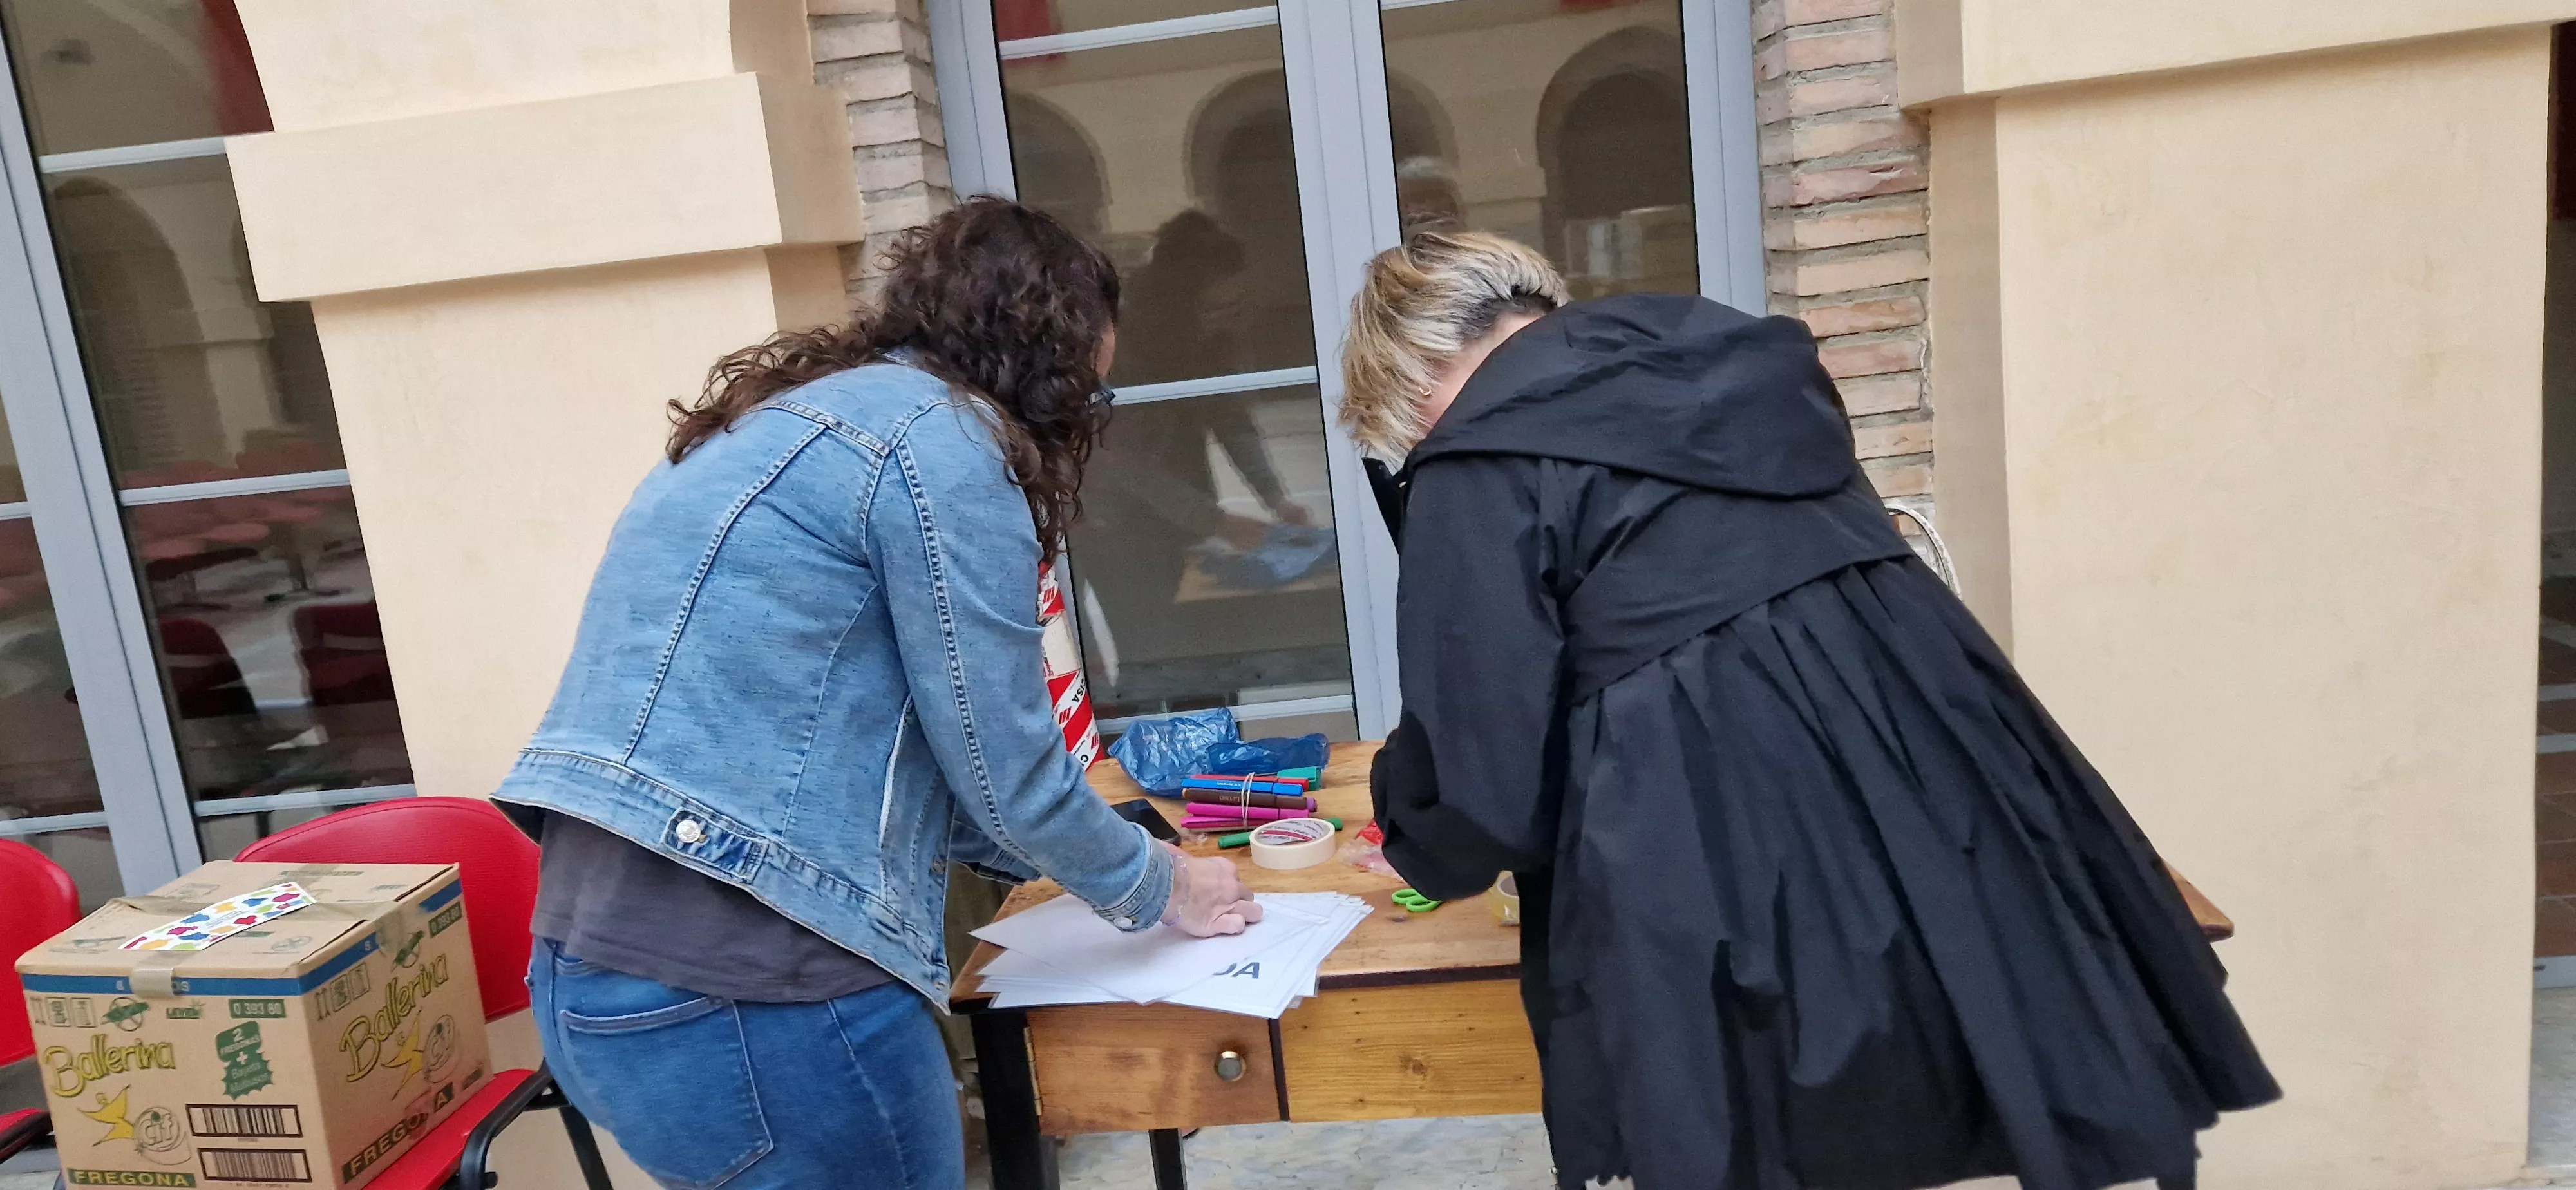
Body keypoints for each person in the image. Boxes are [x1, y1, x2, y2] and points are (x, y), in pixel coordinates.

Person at [1340, 231, 2279, 1190]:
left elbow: (1488, 782)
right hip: (1948, 808)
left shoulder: (1478, 456)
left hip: (1722, 858)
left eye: (1406, 428)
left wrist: (1413, 827)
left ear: (1413, 381)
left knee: (1761, 1140)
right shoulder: (1741, 373)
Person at [491, 198, 1261, 1190]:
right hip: (756, 996)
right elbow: (1009, 773)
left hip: (591, 980)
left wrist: (1106, 850)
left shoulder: (790, 421)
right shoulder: (941, 443)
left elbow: (901, 756)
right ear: (1046, 369)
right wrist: (1164, 885)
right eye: (1089, 396)